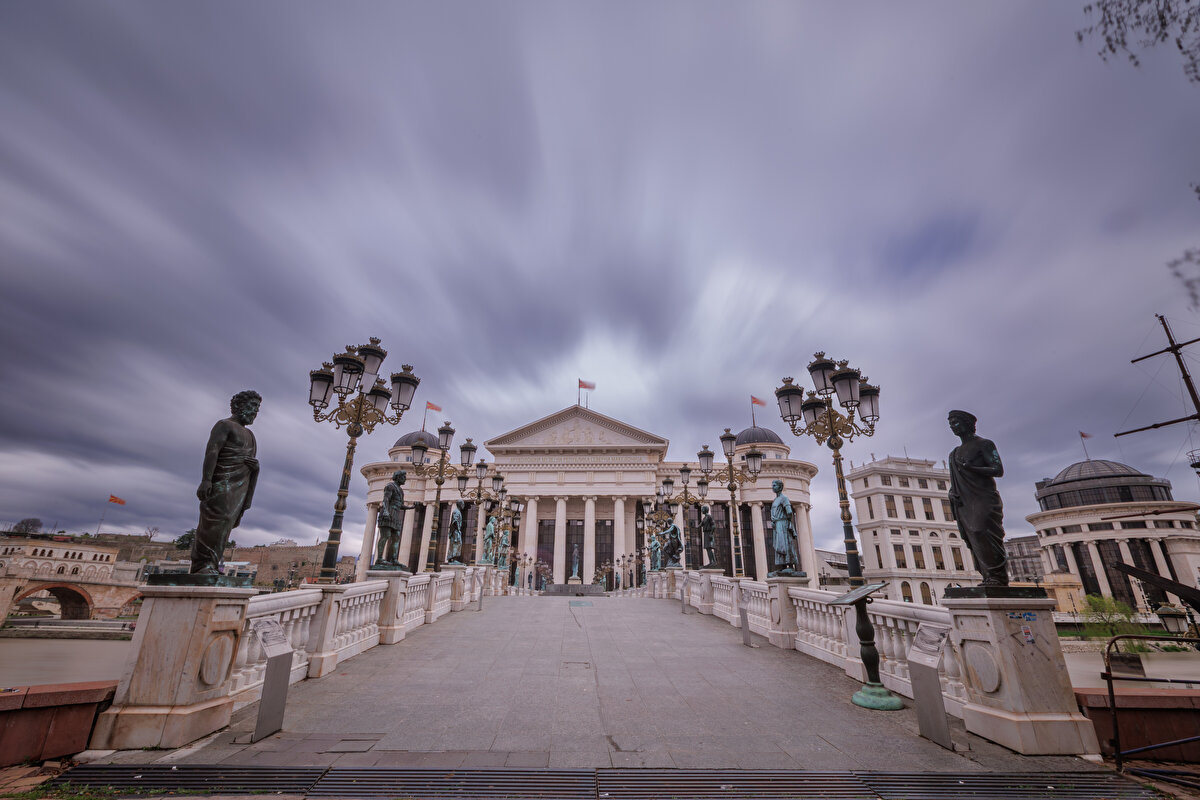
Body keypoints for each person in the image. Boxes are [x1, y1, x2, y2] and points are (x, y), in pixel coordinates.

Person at [191, 390, 261, 574]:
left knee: (227, 522)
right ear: (239, 406)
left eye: (257, 408)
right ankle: (202, 565)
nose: (255, 411)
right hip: (222, 480)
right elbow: (212, 452)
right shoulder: (224, 425)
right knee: (214, 521)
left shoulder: (250, 435)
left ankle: (212, 564)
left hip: (240, 484)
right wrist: (206, 480)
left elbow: (251, 461)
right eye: (253, 406)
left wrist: (256, 468)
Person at [947, 410, 1009, 586]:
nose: (952, 427)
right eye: (950, 424)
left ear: (967, 424)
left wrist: (972, 468)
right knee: (972, 536)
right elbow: (955, 480)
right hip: (965, 501)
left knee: (982, 531)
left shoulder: (984, 444)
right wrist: (951, 493)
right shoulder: (954, 453)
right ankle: (988, 576)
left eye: (955, 422)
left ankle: (999, 576)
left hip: (983, 497)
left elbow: (998, 470)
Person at [375, 471, 411, 568]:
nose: (405, 479)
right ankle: (379, 558)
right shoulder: (390, 486)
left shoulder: (401, 491)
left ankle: (394, 559)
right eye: (403, 477)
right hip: (388, 513)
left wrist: (411, 507)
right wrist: (385, 511)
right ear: (398, 477)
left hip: (395, 514)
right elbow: (385, 500)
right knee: (385, 535)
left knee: (396, 537)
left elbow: (400, 505)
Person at [769, 479, 801, 577]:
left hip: (782, 523)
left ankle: (790, 565)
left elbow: (789, 511)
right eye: (772, 485)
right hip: (777, 524)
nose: (772, 487)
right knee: (779, 544)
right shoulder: (775, 500)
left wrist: (786, 521)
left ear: (780, 487)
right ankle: (782, 566)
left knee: (785, 543)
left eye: (774, 485)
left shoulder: (784, 498)